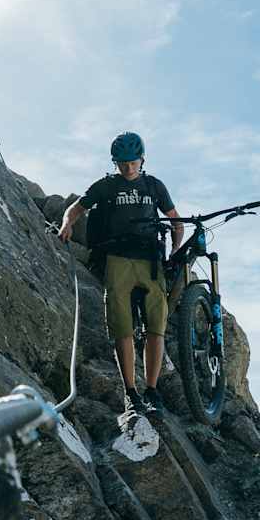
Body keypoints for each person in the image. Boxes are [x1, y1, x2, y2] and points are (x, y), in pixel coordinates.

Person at [58, 132, 183, 416]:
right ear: (115, 162)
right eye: (122, 163)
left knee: (155, 326)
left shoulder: (154, 185)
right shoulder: (106, 186)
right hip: (116, 260)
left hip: (150, 260)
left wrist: (175, 250)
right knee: (122, 327)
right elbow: (76, 208)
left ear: (142, 160)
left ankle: (151, 390)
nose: (128, 169)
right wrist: (66, 225)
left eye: (133, 162)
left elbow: (176, 220)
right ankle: (131, 393)